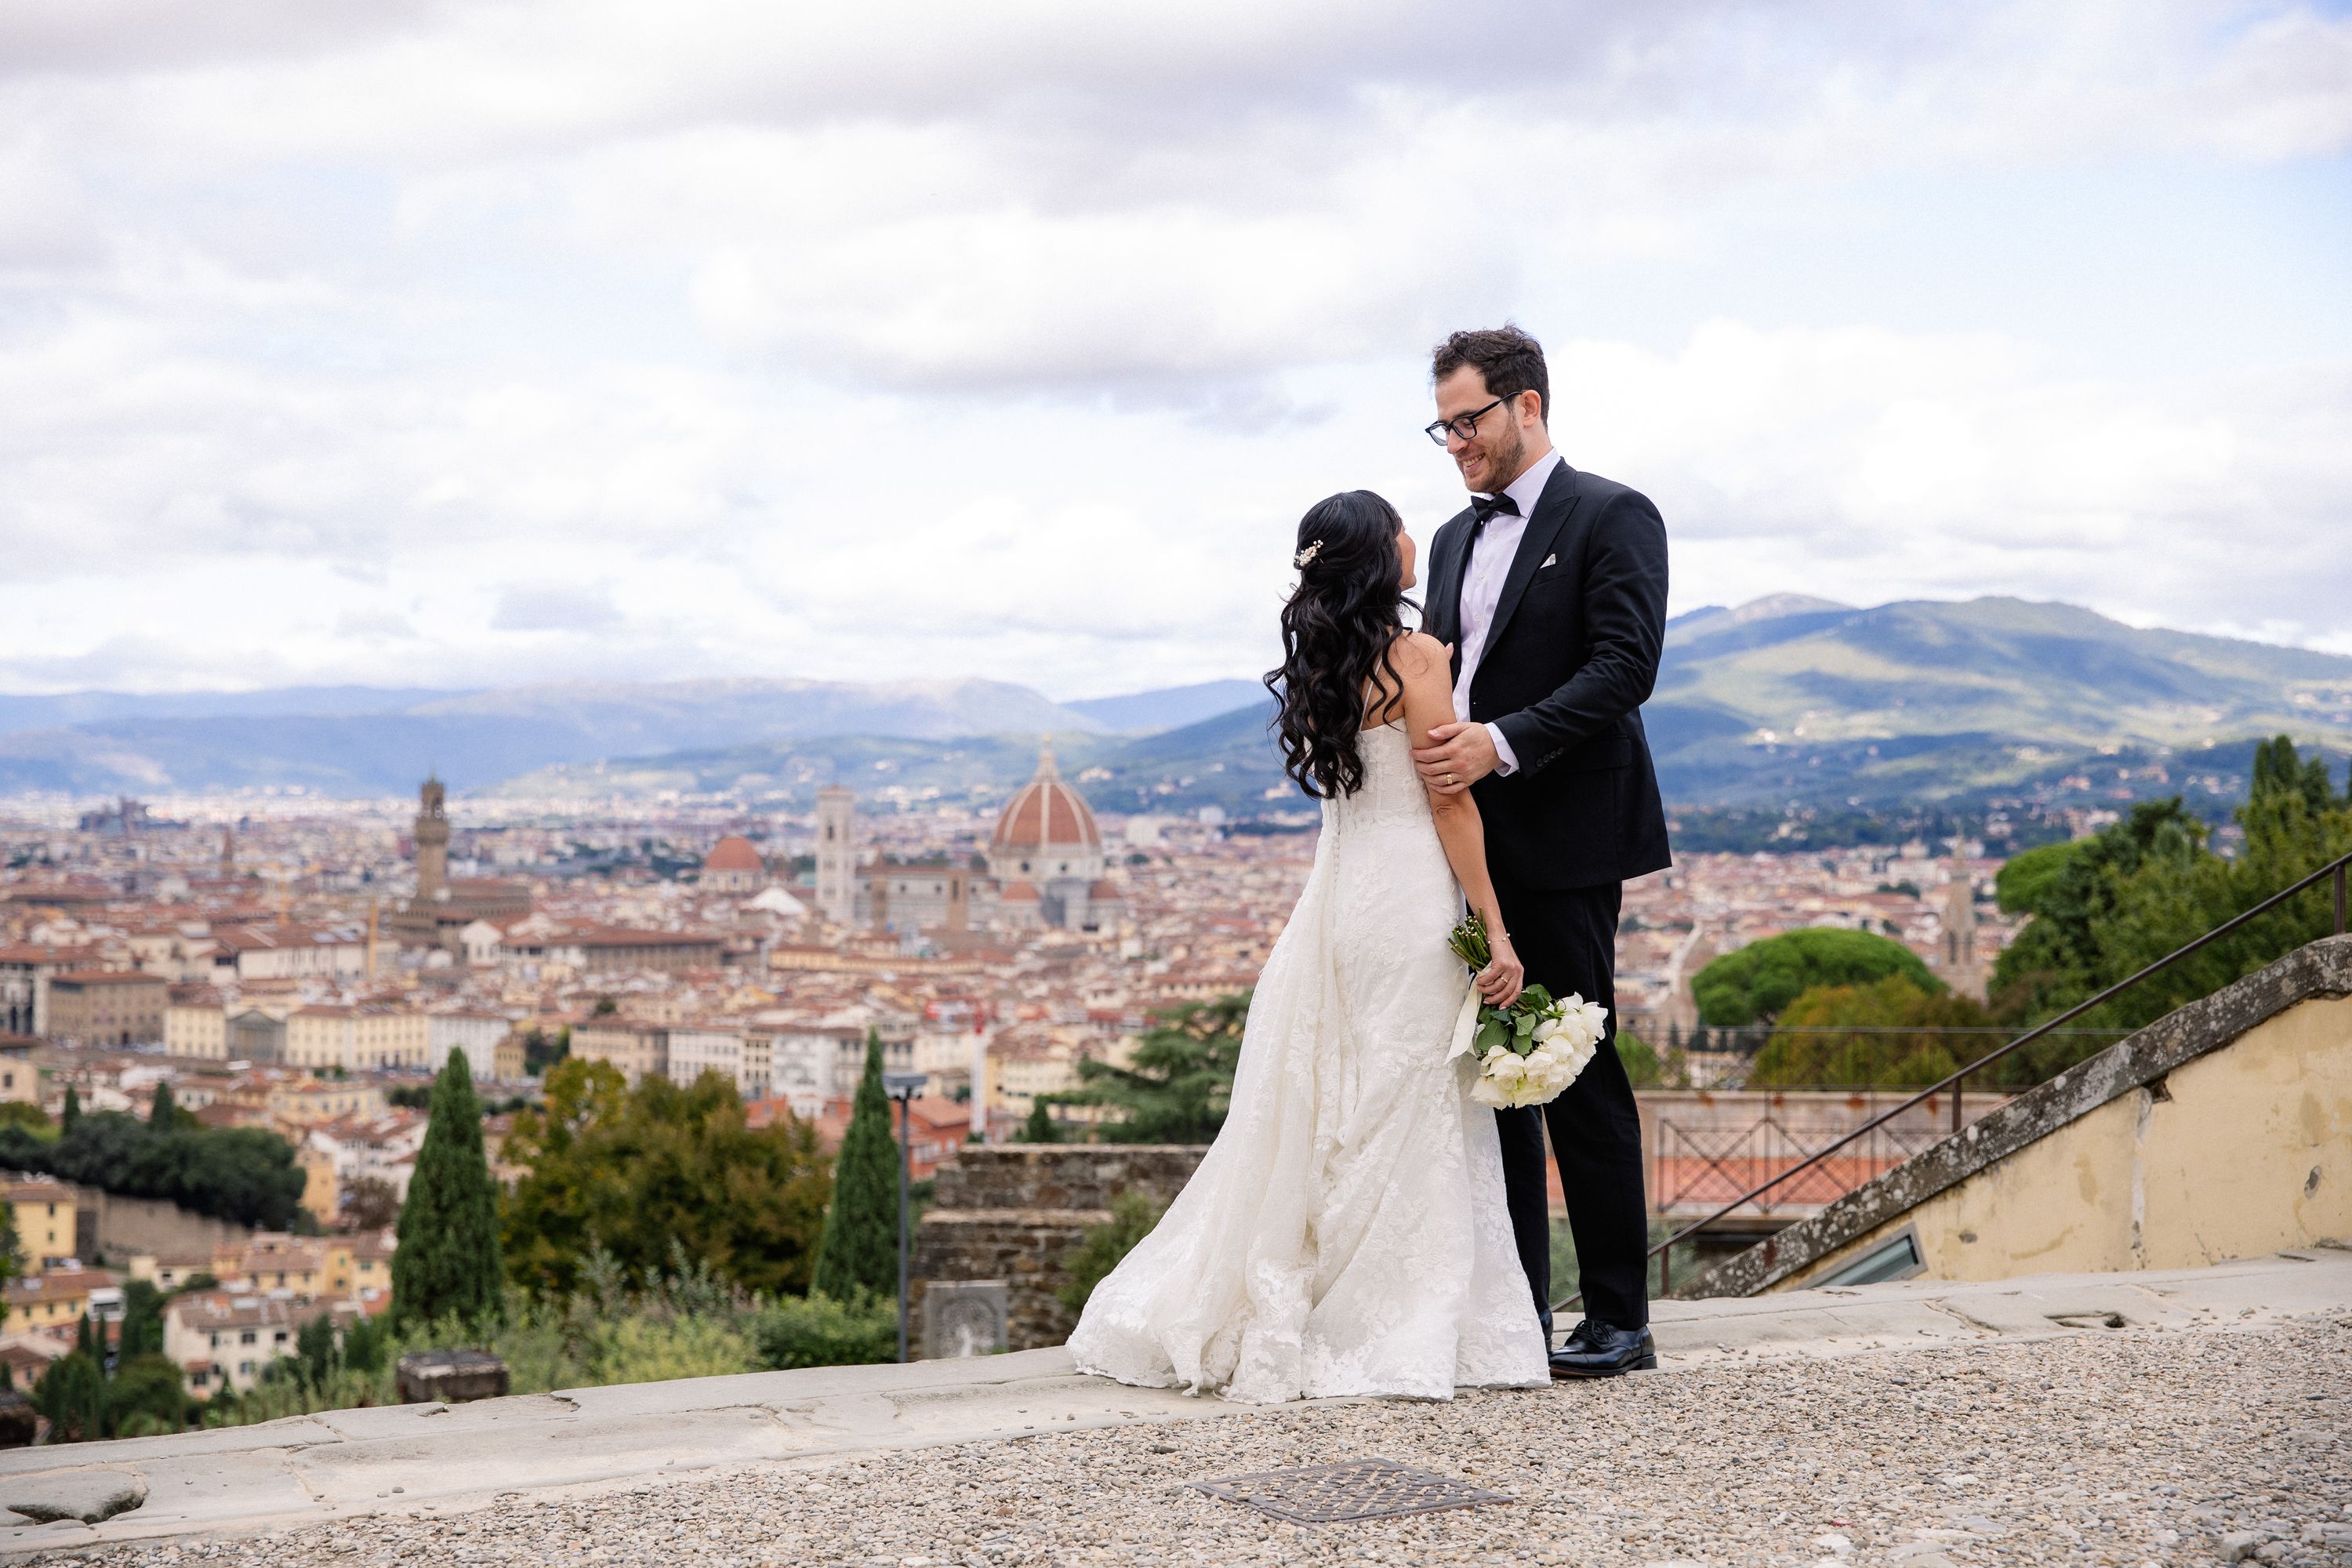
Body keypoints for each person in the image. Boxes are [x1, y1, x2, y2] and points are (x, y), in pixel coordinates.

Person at [1066, 490, 1548, 1403]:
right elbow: (1449, 798)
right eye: (1401, 527)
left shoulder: (1324, 663)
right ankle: (1396, 1313)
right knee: (1407, 1097)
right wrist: (1495, 925)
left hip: (1335, 902)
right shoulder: (1414, 657)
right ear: (1382, 553)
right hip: (1408, 898)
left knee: (1343, 1094)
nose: (1417, 539)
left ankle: (1328, 1295)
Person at [1410, 325, 1672, 1378]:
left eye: (1468, 421)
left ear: (1526, 406)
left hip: (1565, 832)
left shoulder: (1613, 513)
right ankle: (1517, 1313)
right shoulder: (1450, 538)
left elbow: (1627, 664)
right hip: (1466, 845)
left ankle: (1620, 1318)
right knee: (1492, 1079)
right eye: (1443, 425)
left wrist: (1500, 743)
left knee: (1578, 1070)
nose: (1456, 443)